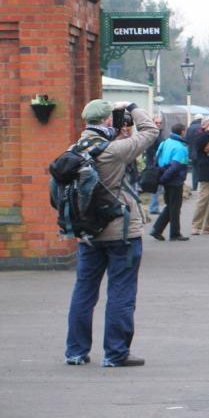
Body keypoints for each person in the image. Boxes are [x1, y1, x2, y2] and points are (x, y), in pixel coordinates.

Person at [64, 99, 160, 368]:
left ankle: (75, 352)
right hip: (121, 233)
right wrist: (132, 106)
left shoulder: (74, 150)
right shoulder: (116, 150)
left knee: (84, 292)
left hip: (88, 233)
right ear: (108, 120)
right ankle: (115, 353)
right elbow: (151, 131)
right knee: (121, 292)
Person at [149, 123, 191, 242]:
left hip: (164, 177)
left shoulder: (165, 142)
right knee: (175, 207)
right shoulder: (180, 148)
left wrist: (161, 178)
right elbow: (175, 167)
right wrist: (165, 178)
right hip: (174, 180)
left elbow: (156, 159)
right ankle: (174, 233)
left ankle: (158, 230)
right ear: (182, 132)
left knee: (171, 206)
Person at [185, 114, 204, 195]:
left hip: (192, 152)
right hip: (203, 152)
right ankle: (203, 186)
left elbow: (186, 140)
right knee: (203, 169)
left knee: (195, 169)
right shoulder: (203, 127)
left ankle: (195, 186)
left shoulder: (190, 128)